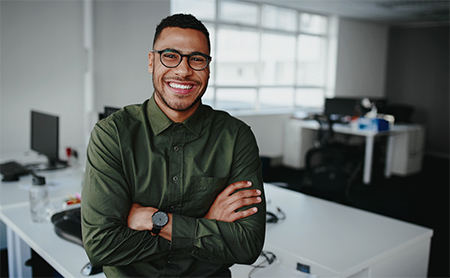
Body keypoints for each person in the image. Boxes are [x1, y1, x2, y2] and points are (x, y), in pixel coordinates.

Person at [81, 13, 266, 277]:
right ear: (151, 61)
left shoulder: (236, 136)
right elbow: (102, 247)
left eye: (197, 59)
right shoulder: (113, 134)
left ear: (208, 68)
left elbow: (247, 246)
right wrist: (206, 225)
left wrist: (158, 222)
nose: (183, 70)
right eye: (170, 55)